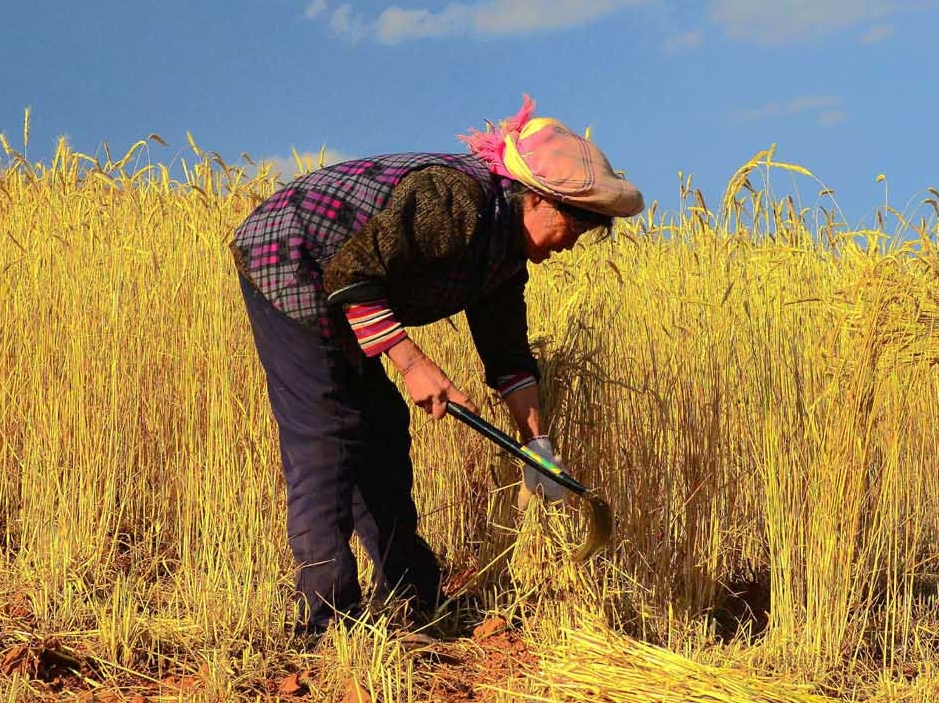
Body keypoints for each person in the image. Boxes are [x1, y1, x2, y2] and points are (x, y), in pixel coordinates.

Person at [230, 97, 643, 637]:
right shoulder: (455, 202)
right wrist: (413, 364)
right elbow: (352, 275)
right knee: (327, 432)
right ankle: (326, 621)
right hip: (290, 258)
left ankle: (411, 593)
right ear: (538, 200)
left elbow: (509, 359)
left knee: (380, 426)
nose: (569, 246)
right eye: (573, 226)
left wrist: (538, 448)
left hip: (342, 283)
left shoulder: (504, 255)